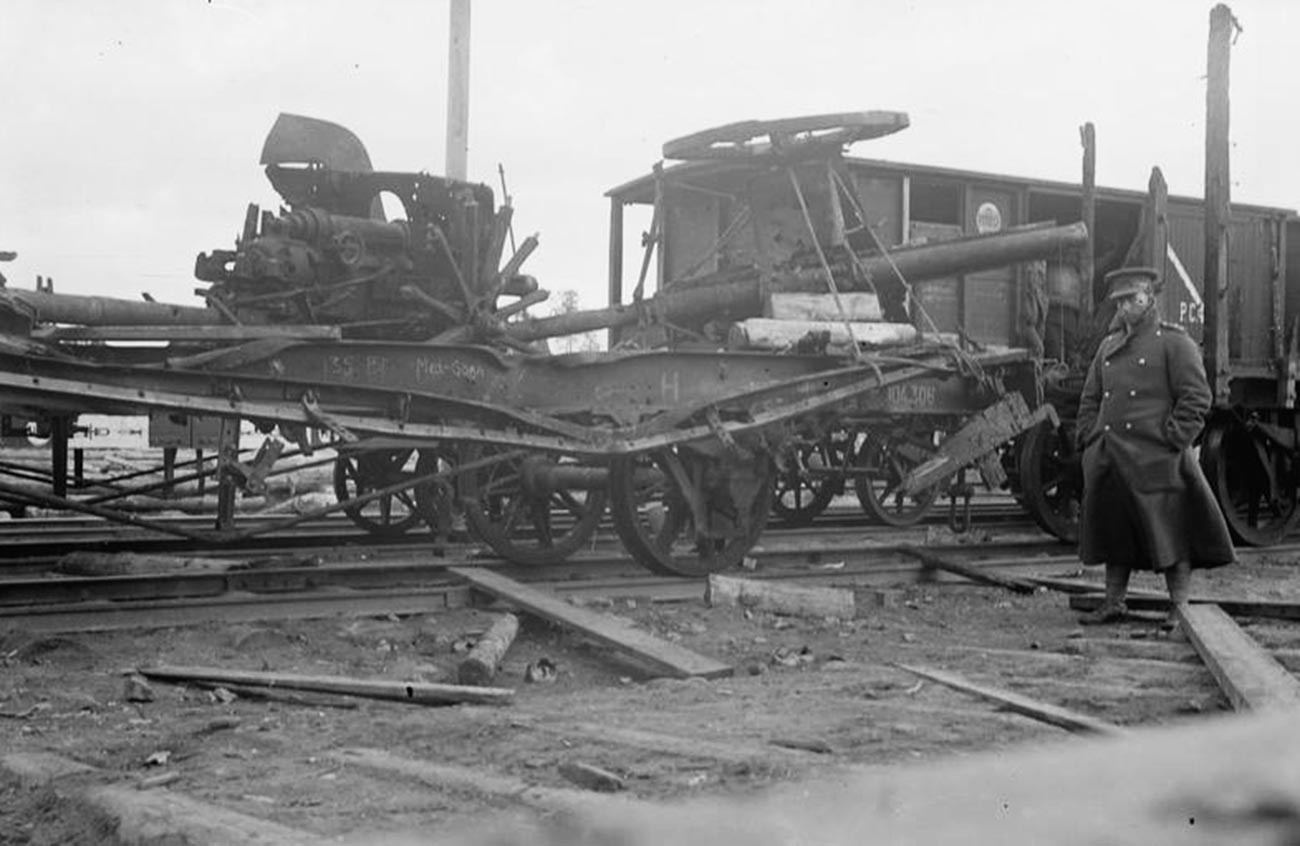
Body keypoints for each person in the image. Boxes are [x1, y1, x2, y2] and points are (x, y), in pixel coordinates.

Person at [1074, 266, 1235, 623]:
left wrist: (1173, 440)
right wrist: (1089, 439)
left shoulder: (1174, 342)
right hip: (1111, 458)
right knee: (1115, 532)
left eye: (1132, 298)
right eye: (1120, 301)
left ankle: (1179, 609)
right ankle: (1113, 601)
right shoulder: (1108, 346)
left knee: (1172, 535)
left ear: (1150, 298)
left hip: (1158, 461)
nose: (1125, 307)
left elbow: (1196, 397)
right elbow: (1090, 399)